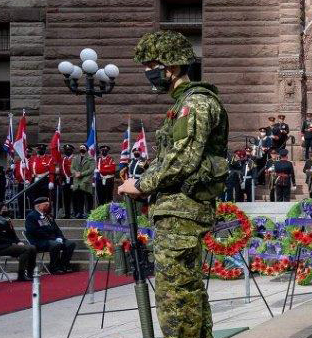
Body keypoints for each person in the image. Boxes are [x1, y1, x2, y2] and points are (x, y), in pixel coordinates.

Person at [121, 29, 229, 338]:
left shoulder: (193, 104)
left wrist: (141, 185)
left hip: (183, 211)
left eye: (152, 64)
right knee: (187, 292)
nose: (148, 72)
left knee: (175, 298)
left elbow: (182, 159)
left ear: (172, 65)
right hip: (179, 210)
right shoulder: (185, 103)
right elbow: (172, 154)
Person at [0, 202, 37, 282]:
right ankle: (21, 275)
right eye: (3, 210)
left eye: (6, 209)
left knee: (32, 248)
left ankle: (30, 273)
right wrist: (11, 242)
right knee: (27, 249)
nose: (6, 211)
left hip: (8, 245)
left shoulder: (5, 220)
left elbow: (13, 235)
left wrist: (18, 241)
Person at [24, 197, 76, 273]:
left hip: (52, 239)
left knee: (70, 244)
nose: (48, 207)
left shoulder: (48, 216)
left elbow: (57, 229)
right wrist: (52, 238)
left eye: (48, 205)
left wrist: (60, 237)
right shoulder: (32, 216)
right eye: (45, 205)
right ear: (38, 206)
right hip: (40, 241)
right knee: (55, 244)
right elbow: (34, 231)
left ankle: (64, 265)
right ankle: (54, 267)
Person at [70, 144, 94, 218]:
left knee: (88, 197)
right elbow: (72, 168)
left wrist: (81, 174)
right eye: (80, 147)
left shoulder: (91, 159)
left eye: (83, 147)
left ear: (86, 149)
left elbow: (91, 169)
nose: (81, 148)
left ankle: (88, 213)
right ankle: (79, 213)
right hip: (77, 181)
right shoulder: (75, 158)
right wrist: (75, 173)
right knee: (78, 197)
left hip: (86, 180)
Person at [59, 144, 75, 218]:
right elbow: (61, 170)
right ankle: (67, 214)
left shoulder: (75, 159)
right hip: (65, 180)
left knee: (75, 197)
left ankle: (75, 213)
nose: (67, 151)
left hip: (74, 179)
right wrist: (61, 180)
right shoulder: (63, 159)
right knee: (66, 198)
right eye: (66, 150)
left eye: (69, 150)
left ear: (72, 151)